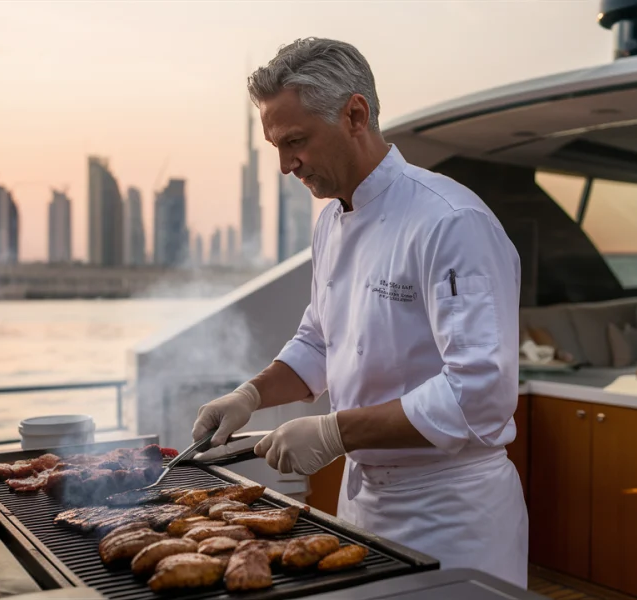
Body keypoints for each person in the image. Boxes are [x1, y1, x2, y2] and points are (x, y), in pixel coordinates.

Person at [191, 37, 527, 587]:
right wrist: (249, 396)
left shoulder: (450, 221)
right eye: (276, 145)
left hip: (452, 511)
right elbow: (319, 342)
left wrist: (334, 432)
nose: (284, 165)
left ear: (355, 114)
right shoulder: (330, 221)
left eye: (295, 140)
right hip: (364, 502)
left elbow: (479, 394)